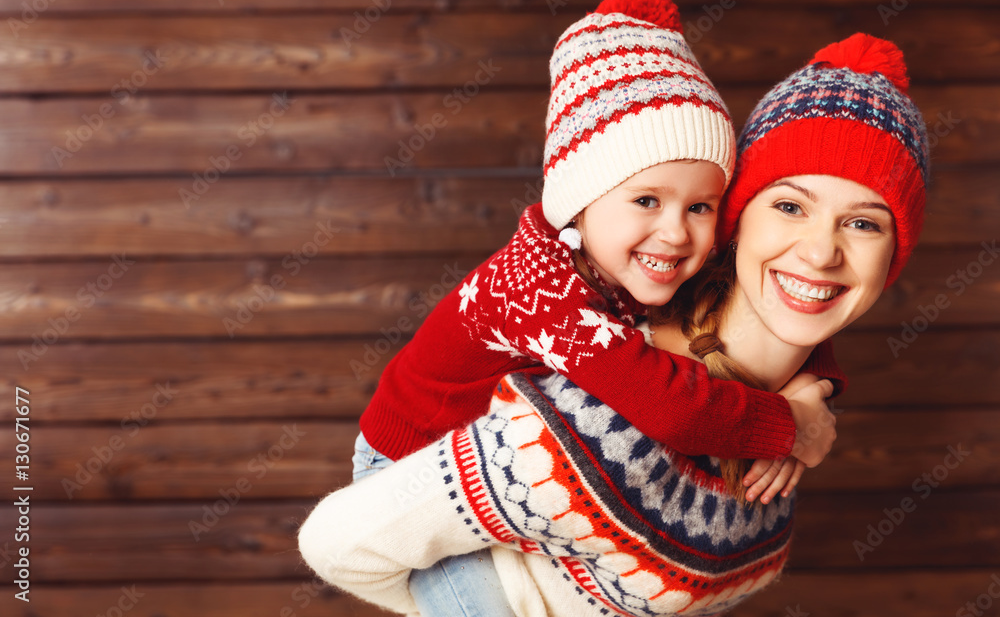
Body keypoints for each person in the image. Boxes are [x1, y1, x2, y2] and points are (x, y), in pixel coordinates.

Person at [299, 32, 929, 617]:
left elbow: (799, 314)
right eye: (789, 206)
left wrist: (813, 387)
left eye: (865, 222)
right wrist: (786, 428)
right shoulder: (546, 292)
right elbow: (670, 410)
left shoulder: (667, 262)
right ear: (581, 196)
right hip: (408, 451)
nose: (677, 231)